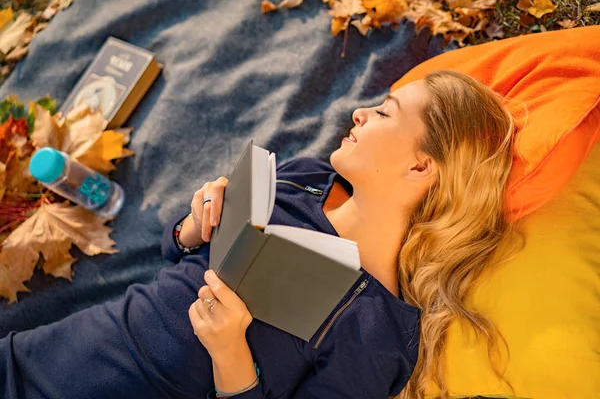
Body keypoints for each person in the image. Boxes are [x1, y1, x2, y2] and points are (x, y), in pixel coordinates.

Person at [0, 70, 520, 399]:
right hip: (52, 350)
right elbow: (175, 255)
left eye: (385, 112)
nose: (360, 111)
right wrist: (193, 225)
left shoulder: (378, 333)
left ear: (421, 167)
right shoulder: (306, 177)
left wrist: (230, 355)